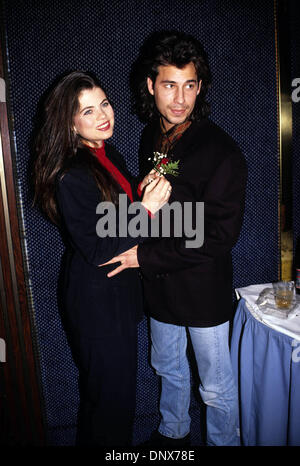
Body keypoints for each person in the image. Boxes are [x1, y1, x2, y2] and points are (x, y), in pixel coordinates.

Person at [103, 31, 248, 446]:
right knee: (167, 368)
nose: (180, 98)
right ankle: (173, 436)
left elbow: (219, 236)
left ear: (200, 86)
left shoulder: (223, 151)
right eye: (169, 85)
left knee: (216, 387)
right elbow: (164, 205)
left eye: (189, 85)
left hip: (203, 291)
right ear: (151, 86)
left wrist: (143, 257)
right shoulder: (152, 134)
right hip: (161, 292)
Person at [33, 70, 171, 446]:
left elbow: (114, 217)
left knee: (111, 400)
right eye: (88, 111)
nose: (103, 116)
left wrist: (142, 193)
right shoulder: (70, 173)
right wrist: (147, 209)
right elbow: (96, 244)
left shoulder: (107, 155)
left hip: (115, 296)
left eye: (104, 104)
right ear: (70, 123)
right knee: (111, 405)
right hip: (97, 301)